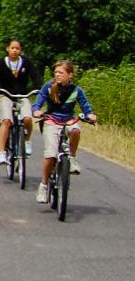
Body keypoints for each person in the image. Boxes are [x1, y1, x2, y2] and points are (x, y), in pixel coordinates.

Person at [31, 59, 97, 203]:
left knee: (75, 130)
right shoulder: (48, 87)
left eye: (61, 72)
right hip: (51, 121)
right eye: (56, 72)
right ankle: (43, 185)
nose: (57, 75)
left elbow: (86, 107)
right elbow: (37, 103)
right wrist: (36, 111)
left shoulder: (77, 91)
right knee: (50, 155)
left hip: (68, 121)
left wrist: (90, 115)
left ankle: (72, 158)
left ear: (70, 75)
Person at [0, 39, 39, 166]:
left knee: (27, 118)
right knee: (6, 120)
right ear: (7, 49)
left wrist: (39, 88)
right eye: (12, 48)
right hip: (7, 95)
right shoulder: (1, 63)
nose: (15, 50)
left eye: (17, 48)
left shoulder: (26, 62)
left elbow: (35, 76)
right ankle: (1, 152)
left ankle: (26, 141)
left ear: (20, 50)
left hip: (22, 95)